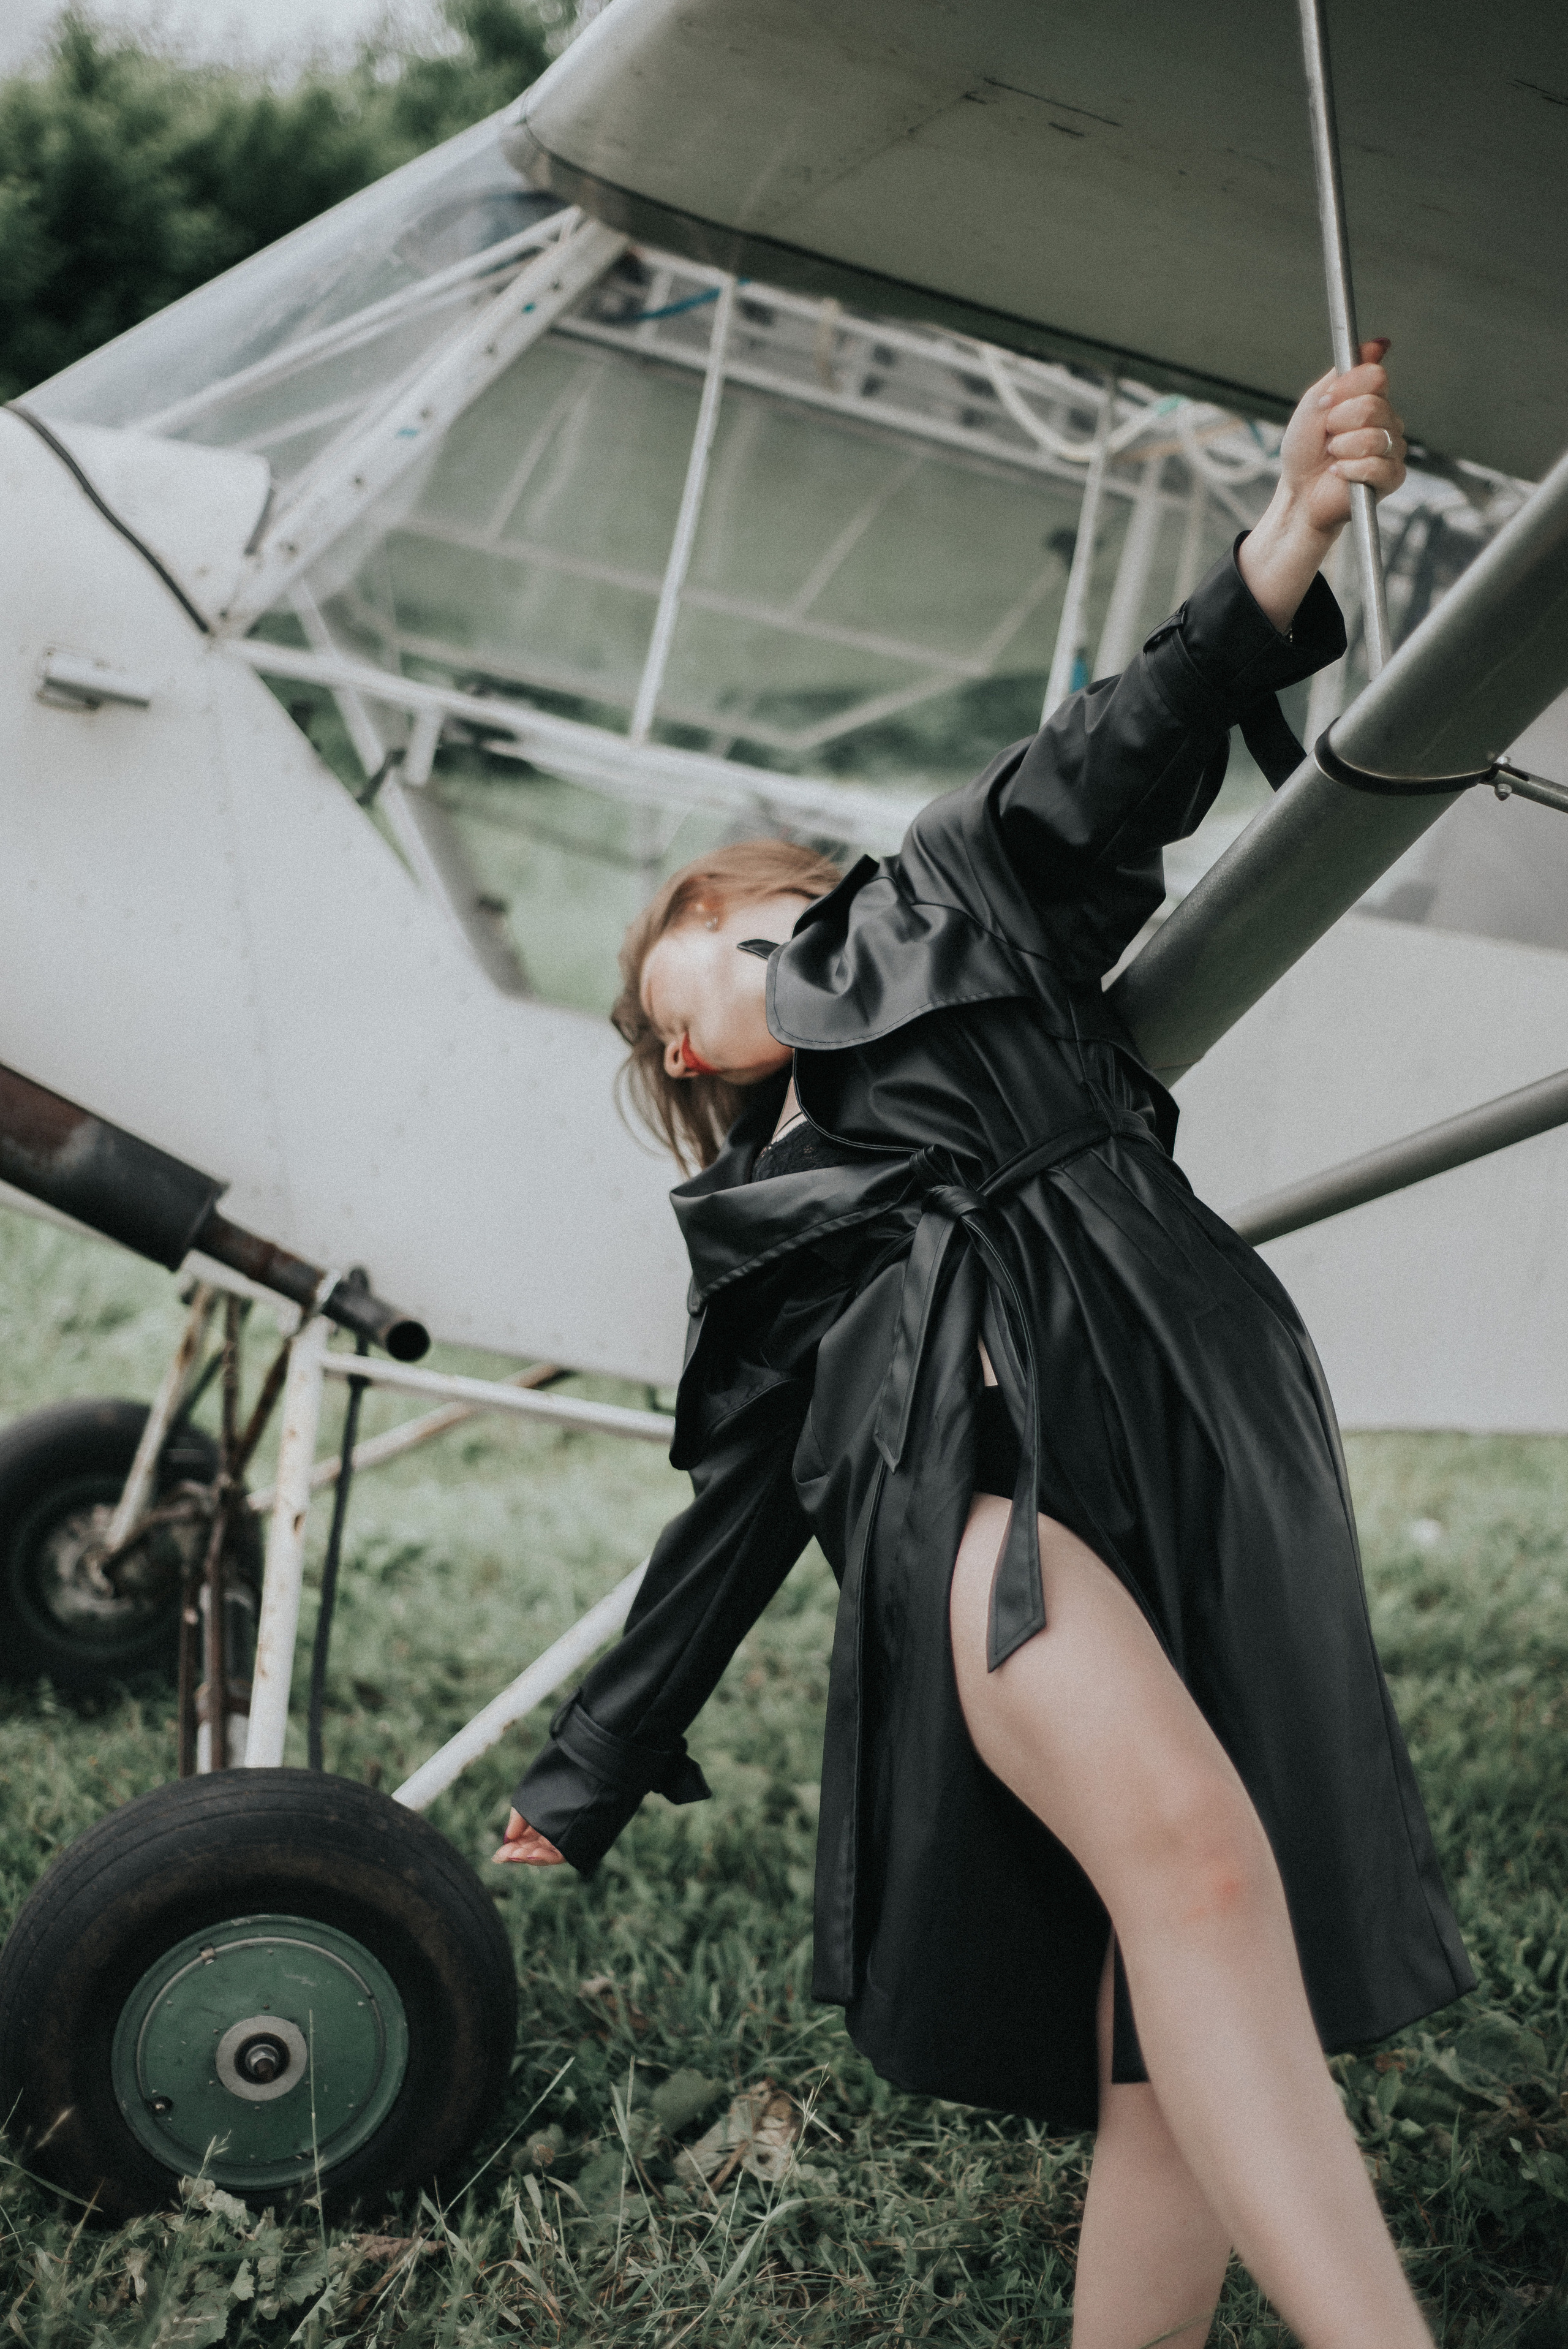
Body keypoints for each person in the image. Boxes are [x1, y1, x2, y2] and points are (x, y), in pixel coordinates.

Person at [494, 346, 1472, 2349]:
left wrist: (1285, 531)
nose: (783, 950)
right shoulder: (759, 1227)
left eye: (789, 916)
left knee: (1167, 2018)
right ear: (689, 1049)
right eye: (726, 961)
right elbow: (739, 1511)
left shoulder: (957, 895)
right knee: (1200, 1877)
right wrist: (591, 1763)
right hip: (977, 1497)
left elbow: (1123, 744)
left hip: (1213, 1418)